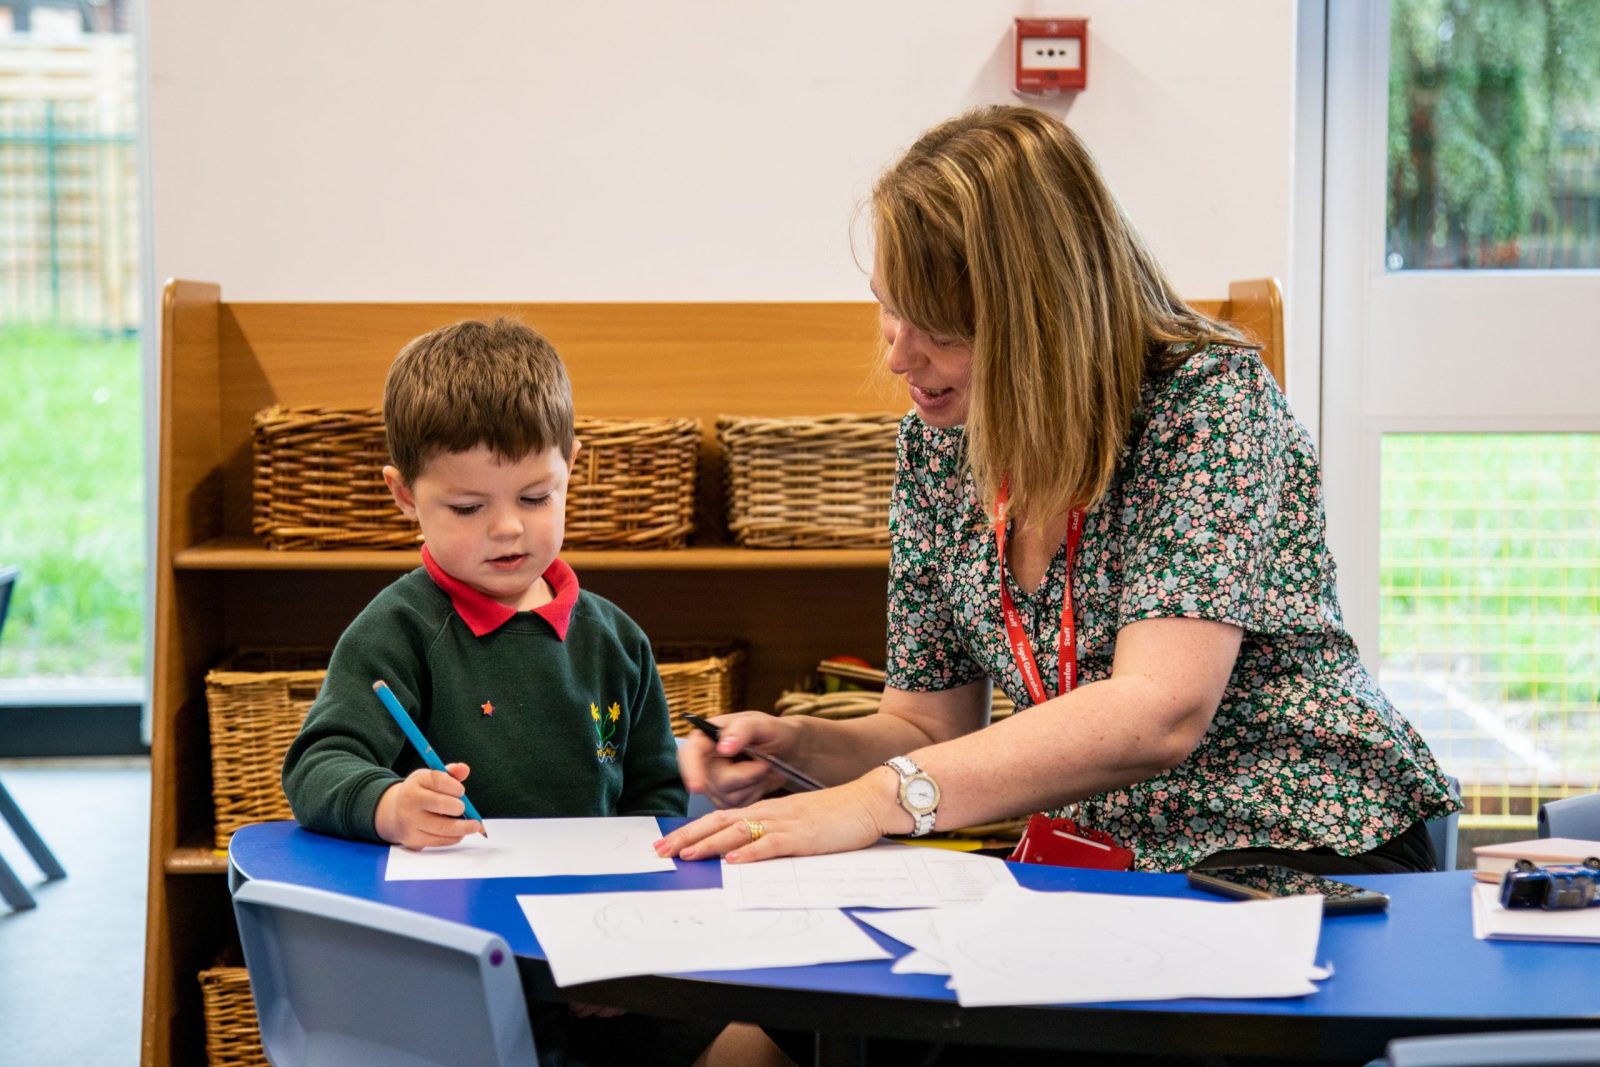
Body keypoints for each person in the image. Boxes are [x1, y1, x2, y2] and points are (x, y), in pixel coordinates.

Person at [658, 104, 1459, 877]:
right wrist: (798, 752)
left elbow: (1160, 711)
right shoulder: (940, 446)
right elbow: (924, 725)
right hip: (1120, 862)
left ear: (1037, 317)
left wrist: (877, 799)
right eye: (887, 310)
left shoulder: (1208, 402)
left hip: (1304, 838)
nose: (900, 357)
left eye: (938, 326)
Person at [281, 318, 788, 1067]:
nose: (508, 529)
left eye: (534, 494)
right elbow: (317, 764)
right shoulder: (396, 632)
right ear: (402, 494)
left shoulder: (617, 640)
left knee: (758, 1042)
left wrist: (634, 941)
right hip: (461, 963)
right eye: (468, 507)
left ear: (571, 467)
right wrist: (388, 804)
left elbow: (652, 803)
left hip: (607, 960)